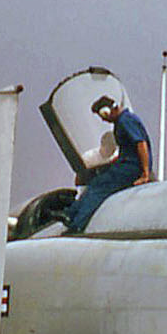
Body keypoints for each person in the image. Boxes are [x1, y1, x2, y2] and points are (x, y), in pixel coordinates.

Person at [64, 95, 154, 233]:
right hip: (126, 164)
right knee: (96, 182)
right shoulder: (123, 121)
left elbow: (140, 144)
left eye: (102, 116)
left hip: (131, 168)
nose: (102, 119)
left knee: (98, 188)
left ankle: (76, 224)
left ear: (106, 111)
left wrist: (145, 173)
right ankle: (71, 213)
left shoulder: (126, 121)